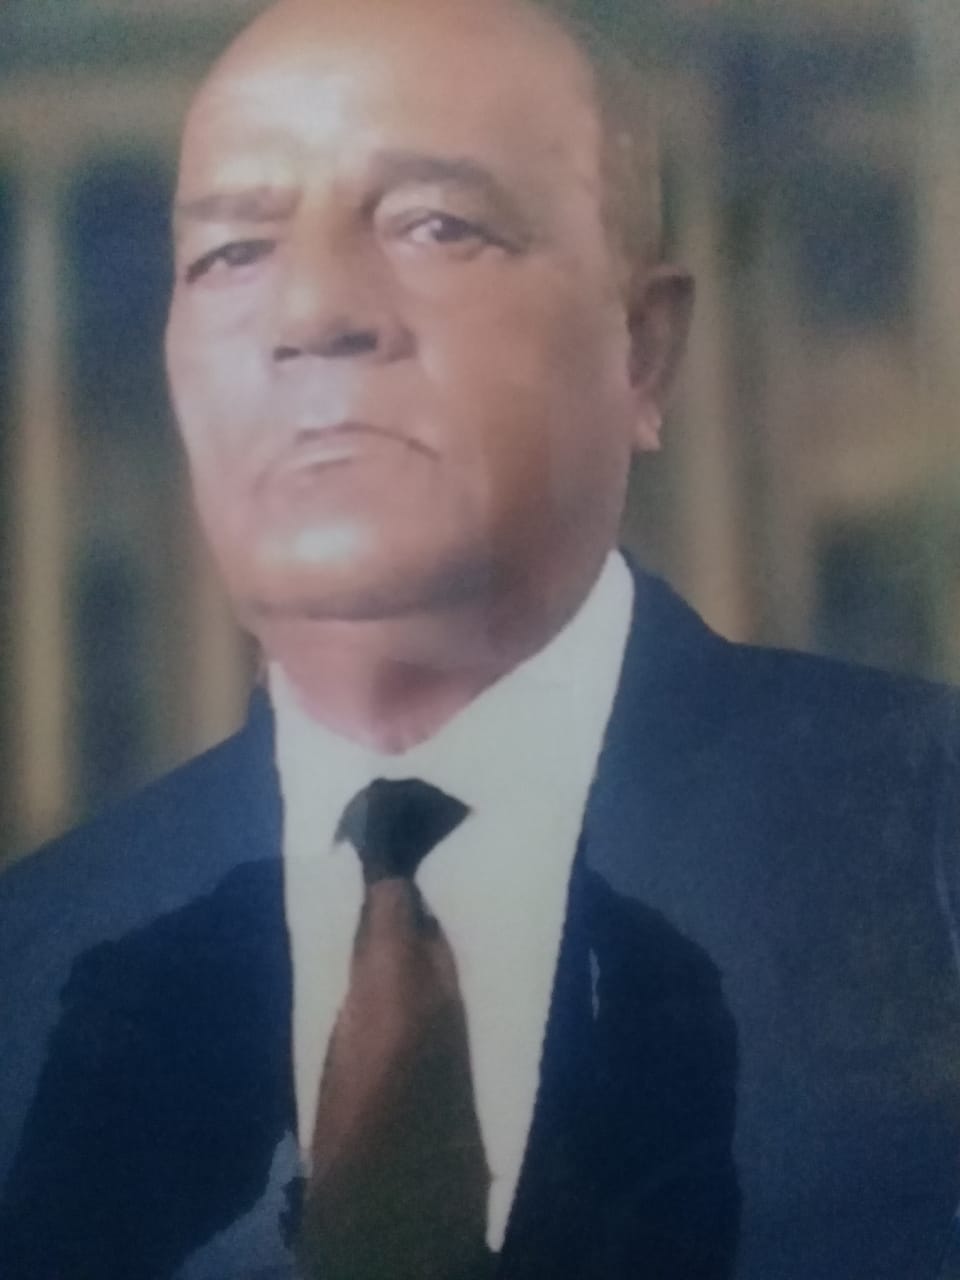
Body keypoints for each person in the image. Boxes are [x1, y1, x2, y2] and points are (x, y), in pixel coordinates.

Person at [2, 0, 960, 1276]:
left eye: (436, 225)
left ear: (644, 348)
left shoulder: (930, 834)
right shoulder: (32, 970)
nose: (314, 311)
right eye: (230, 252)